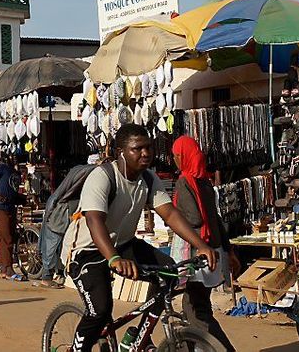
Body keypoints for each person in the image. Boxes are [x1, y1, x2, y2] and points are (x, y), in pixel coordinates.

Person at [62, 124, 217, 352]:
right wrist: (114, 259)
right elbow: (95, 221)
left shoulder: (149, 179)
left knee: (169, 272)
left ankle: (138, 337)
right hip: (86, 251)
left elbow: (170, 214)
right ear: (120, 152)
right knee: (100, 310)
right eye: (137, 149)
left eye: (148, 148)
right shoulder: (102, 177)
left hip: (122, 245)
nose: (146, 153)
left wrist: (201, 245)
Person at [170, 135, 239, 351]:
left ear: (182, 157)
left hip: (198, 252)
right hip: (213, 250)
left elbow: (193, 219)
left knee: (196, 309)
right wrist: (229, 251)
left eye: (175, 156)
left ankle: (222, 348)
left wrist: (173, 216)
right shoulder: (204, 181)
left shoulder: (184, 181)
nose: (174, 160)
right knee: (195, 304)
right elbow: (216, 219)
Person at [34, 155, 103, 289]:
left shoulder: (81, 171)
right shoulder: (89, 172)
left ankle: (59, 273)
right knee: (52, 244)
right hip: (60, 212)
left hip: (66, 211)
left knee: (62, 243)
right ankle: (47, 277)